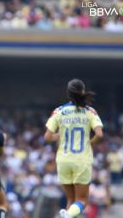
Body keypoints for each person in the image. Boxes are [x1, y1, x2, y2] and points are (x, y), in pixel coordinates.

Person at [44, 79, 103, 218]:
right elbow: (99, 134)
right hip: (81, 160)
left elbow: (47, 137)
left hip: (63, 160)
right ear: (83, 91)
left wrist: (60, 136)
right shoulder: (90, 111)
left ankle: (67, 215)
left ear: (68, 94)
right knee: (82, 201)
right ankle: (68, 215)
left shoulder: (59, 111)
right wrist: (90, 142)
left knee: (70, 201)